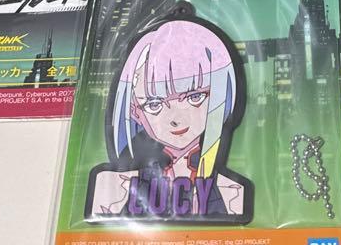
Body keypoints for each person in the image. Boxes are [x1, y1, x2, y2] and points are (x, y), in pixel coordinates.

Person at [89, 18, 250, 222]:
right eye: (155, 104)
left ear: (219, 96)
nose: (176, 118)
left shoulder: (232, 192)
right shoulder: (115, 187)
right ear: (135, 111)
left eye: (194, 97)